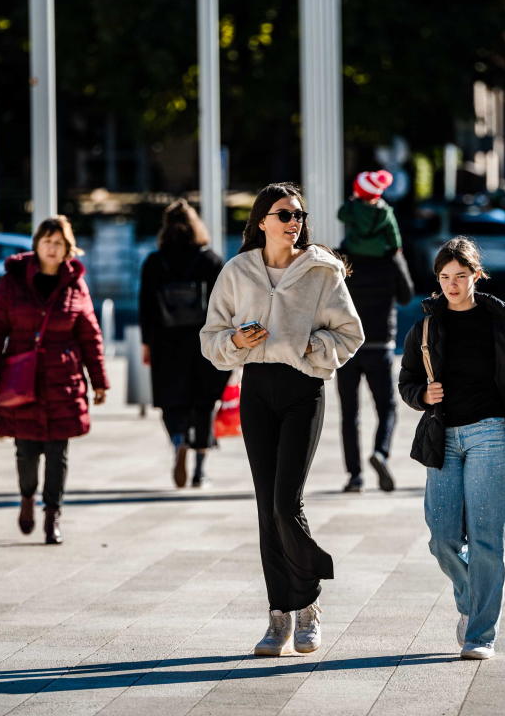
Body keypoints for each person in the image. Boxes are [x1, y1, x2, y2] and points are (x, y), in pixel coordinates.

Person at [201, 182, 364, 657]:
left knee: (285, 500)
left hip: (302, 391)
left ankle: (308, 601)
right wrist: (237, 343)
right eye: (284, 214)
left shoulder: (320, 271)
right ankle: (278, 617)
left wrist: (311, 346)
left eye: (298, 215)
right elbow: (211, 337)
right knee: (265, 507)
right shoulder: (237, 271)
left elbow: (350, 334)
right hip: (256, 391)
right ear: (262, 222)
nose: (294, 222)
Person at [398, 236, 505, 661]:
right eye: (445, 277)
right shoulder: (425, 325)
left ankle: (481, 633)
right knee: (442, 538)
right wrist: (423, 396)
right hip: (444, 438)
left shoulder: (499, 321)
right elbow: (406, 380)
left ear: (477, 275)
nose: (452, 285)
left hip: (490, 436)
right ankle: (469, 595)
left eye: (461, 276)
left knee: (487, 540)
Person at [0, 216, 109, 545]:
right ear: (36, 244)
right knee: (25, 449)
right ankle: (26, 499)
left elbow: (90, 334)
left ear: (68, 248)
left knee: (57, 451)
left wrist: (99, 380)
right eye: (47, 241)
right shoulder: (12, 282)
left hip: (62, 378)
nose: (52, 248)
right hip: (21, 376)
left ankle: (53, 515)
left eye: (59, 243)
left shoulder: (76, 284)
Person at [139, 199, 229, 488]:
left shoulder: (154, 261)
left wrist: (145, 343)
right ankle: (200, 471)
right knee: (204, 403)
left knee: (171, 401)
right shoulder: (210, 260)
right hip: (204, 343)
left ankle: (179, 440)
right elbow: (226, 304)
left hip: (165, 341)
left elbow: (145, 306)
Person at [335, 181, 414, 494]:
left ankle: (354, 476)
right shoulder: (389, 256)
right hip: (380, 341)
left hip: (346, 344)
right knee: (387, 407)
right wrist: (397, 258)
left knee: (349, 413)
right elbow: (407, 295)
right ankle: (380, 452)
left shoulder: (342, 255)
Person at [336, 170, 402, 257]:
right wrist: (396, 247)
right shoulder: (385, 211)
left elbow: (341, 215)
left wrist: (351, 201)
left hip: (354, 249)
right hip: (378, 251)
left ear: (358, 192)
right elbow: (393, 230)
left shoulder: (354, 207)